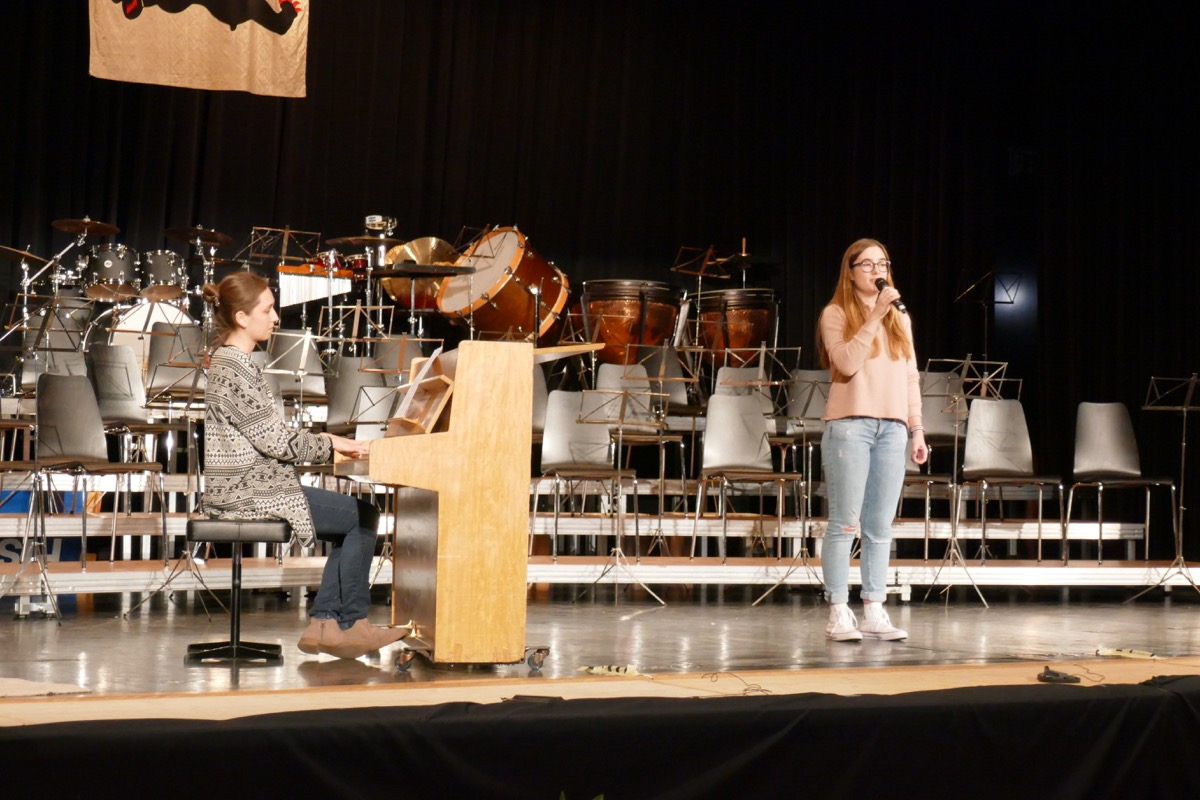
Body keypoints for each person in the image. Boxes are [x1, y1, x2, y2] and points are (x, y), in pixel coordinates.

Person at [201, 271, 405, 659]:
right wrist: (332, 443)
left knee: (357, 516)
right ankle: (348, 624)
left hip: (251, 485)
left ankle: (327, 622)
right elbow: (277, 442)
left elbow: (269, 435)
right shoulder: (234, 368)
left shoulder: (234, 363)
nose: (276, 317)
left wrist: (330, 442)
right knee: (362, 517)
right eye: (267, 310)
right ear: (242, 317)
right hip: (247, 492)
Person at [816, 238, 927, 642]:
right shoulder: (835, 313)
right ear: (850, 272)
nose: (877, 271)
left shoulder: (900, 319)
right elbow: (846, 363)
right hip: (850, 426)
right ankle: (838, 611)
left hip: (892, 429)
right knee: (845, 523)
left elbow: (910, 377)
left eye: (883, 264)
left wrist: (916, 429)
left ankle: (874, 609)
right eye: (867, 264)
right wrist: (874, 316)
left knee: (880, 526)